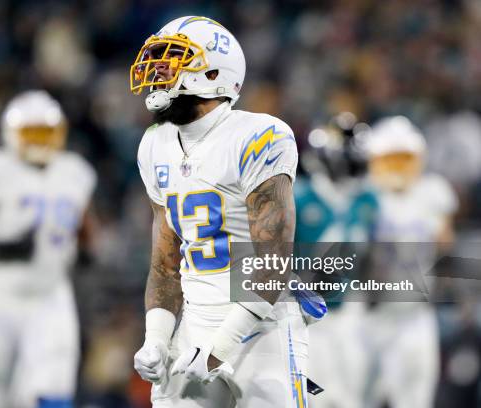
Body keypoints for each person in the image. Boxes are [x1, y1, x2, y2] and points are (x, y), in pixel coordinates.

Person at [130, 16, 312, 408]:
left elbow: (275, 261)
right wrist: (158, 338)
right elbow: (164, 262)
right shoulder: (153, 143)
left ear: (213, 70)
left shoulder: (258, 134)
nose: (156, 70)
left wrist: (219, 348)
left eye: (171, 59)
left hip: (261, 329)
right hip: (194, 321)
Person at [0, 90, 96, 408]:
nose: (39, 142)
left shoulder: (73, 172)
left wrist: (86, 248)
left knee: (55, 378)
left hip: (50, 291)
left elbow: (84, 226)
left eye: (46, 133)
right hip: (0, 293)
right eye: (32, 133)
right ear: (12, 135)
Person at [362, 115, 458, 408]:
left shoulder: (432, 192)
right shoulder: (363, 195)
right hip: (368, 312)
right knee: (356, 396)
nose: (397, 167)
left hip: (414, 313)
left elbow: (446, 245)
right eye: (390, 160)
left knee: (415, 398)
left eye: (404, 159)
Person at [295, 112, 379, 408]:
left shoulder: (367, 199)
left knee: (351, 398)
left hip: (350, 313)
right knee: (316, 398)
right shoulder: (300, 197)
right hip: (306, 318)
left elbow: (373, 257)